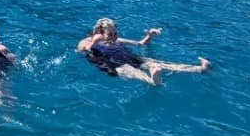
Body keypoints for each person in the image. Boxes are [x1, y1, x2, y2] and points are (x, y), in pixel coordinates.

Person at [77, 17, 210, 86]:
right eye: (109, 34)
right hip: (111, 63)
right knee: (130, 71)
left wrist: (150, 35)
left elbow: (140, 43)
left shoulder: (117, 40)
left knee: (159, 63)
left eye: (115, 33)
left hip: (127, 56)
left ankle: (200, 69)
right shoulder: (87, 42)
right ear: (100, 33)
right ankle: (153, 81)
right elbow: (83, 51)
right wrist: (94, 42)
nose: (113, 37)